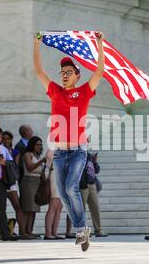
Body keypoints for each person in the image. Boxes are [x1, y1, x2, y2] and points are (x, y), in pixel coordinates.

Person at [33, 31, 106, 251]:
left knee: (71, 187)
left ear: (77, 75)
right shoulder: (54, 91)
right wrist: (36, 46)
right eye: (62, 72)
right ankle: (82, 229)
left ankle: (81, 229)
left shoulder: (84, 92)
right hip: (59, 152)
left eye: (68, 72)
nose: (64, 75)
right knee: (64, 194)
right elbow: (38, 70)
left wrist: (99, 44)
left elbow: (100, 71)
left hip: (77, 151)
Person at [19, 136, 46, 239]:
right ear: (32, 145)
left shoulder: (38, 156)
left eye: (40, 144)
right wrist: (41, 161)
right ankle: (23, 232)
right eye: (37, 144)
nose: (39, 146)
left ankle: (29, 231)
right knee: (27, 208)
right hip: (28, 182)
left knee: (33, 209)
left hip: (37, 182)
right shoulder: (27, 154)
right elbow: (30, 167)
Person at [2, 130, 25, 238]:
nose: (6, 140)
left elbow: (15, 168)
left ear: (11, 140)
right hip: (1, 181)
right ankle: (3, 231)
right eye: (4, 139)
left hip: (11, 182)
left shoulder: (15, 152)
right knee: (1, 208)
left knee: (17, 206)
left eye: (8, 139)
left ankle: (22, 232)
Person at [80, 152, 107, 237]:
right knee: (82, 209)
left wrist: (94, 161)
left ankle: (98, 230)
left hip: (92, 184)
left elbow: (97, 170)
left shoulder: (89, 155)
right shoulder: (76, 155)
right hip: (82, 185)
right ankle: (83, 231)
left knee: (95, 208)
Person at [44, 149, 64, 240]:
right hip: (54, 176)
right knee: (53, 206)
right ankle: (48, 234)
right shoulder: (51, 150)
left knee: (59, 207)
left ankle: (54, 232)